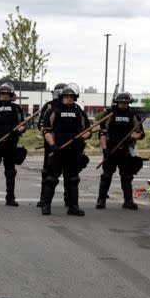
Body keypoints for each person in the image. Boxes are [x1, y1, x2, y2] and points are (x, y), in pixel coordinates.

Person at [40, 85, 91, 216]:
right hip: (58, 150)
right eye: (66, 97)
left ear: (75, 99)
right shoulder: (53, 111)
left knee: (73, 179)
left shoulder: (79, 112)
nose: (69, 99)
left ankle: (73, 207)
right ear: (61, 98)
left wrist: (81, 139)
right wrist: (52, 145)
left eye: (71, 97)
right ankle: (46, 206)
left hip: (73, 151)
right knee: (51, 179)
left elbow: (88, 131)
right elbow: (46, 130)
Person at [96, 92, 145, 210]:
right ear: (117, 102)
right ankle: (101, 200)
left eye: (125, 102)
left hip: (126, 150)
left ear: (129, 103)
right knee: (106, 176)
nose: (123, 104)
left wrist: (133, 137)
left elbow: (141, 133)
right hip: (111, 149)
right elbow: (102, 133)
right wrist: (104, 149)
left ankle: (128, 201)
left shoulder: (133, 116)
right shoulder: (109, 114)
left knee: (127, 177)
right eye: (121, 102)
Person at [36, 83, 67, 207]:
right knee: (48, 171)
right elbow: (41, 124)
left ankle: (69, 199)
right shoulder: (49, 106)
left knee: (70, 174)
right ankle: (44, 199)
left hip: (70, 145)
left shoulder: (72, 107)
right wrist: (50, 137)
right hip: (52, 144)